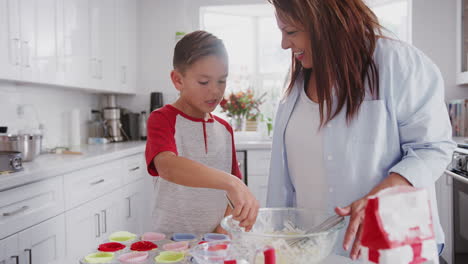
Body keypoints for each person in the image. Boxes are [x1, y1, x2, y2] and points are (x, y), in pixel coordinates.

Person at [266, 0, 455, 260]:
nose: (284, 44)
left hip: (388, 244)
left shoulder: (397, 62)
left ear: (324, 23)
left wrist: (380, 196)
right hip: (314, 246)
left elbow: (433, 148)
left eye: (291, 32)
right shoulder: (298, 78)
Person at [145, 30, 259, 235]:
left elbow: (233, 195)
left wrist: (222, 228)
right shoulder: (163, 118)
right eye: (204, 82)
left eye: (221, 81)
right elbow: (167, 166)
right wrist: (231, 182)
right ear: (178, 80)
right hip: (169, 244)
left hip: (213, 243)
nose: (215, 91)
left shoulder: (224, 130)